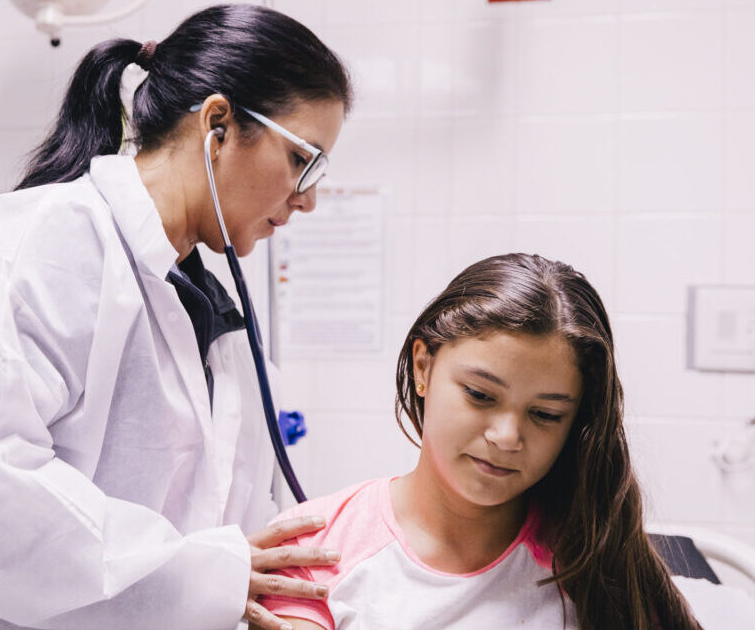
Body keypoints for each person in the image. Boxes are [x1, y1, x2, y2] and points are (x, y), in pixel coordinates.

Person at [0, 4, 351, 630]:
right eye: (305, 159)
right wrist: (202, 578)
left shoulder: (211, 325)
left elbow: (233, 541)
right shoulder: (41, 246)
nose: (307, 199)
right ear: (217, 123)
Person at [261, 253, 707, 630]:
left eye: (546, 415)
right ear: (423, 367)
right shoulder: (312, 552)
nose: (507, 437)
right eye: (480, 395)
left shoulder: (593, 561)